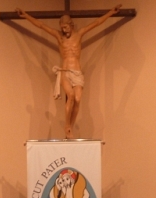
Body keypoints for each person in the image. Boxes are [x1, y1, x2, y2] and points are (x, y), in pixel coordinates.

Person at [16, 5, 122, 139]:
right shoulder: (58, 36)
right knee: (70, 95)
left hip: (77, 72)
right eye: (62, 27)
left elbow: (97, 23)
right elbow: (41, 26)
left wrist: (111, 12)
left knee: (77, 99)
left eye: (65, 27)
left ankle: (70, 126)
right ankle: (67, 127)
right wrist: (25, 15)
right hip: (65, 71)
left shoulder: (79, 34)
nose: (63, 30)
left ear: (71, 25)